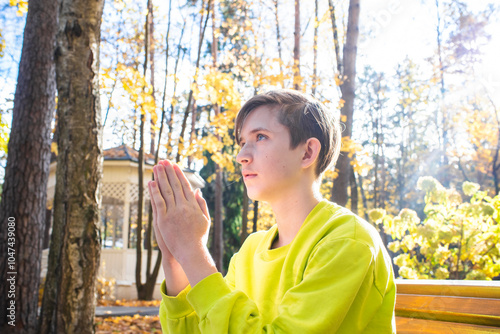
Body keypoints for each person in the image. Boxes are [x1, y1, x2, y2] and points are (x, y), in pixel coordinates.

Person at [148, 89, 396, 333]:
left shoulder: (347, 242)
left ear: (307, 152)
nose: (241, 156)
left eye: (261, 137)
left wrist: (193, 250)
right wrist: (175, 256)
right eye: (243, 142)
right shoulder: (251, 250)